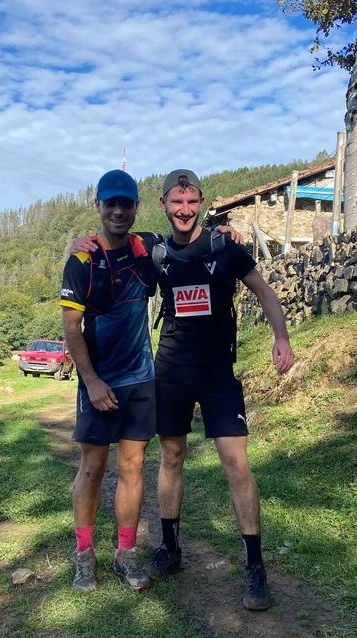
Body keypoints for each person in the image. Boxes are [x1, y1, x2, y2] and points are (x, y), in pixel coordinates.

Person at [70, 169, 294, 610]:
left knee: (237, 465)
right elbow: (110, 242)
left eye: (192, 203)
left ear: (202, 203)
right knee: (171, 458)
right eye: (177, 202)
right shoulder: (153, 250)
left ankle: (255, 566)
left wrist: (281, 337)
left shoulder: (224, 245)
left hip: (217, 373)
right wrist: (79, 244)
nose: (185, 210)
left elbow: (265, 293)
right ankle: (170, 549)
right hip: (170, 372)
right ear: (163, 205)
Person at [59, 168, 158, 592]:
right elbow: (70, 327)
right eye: (110, 203)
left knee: (133, 466)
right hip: (100, 381)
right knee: (93, 467)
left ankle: (126, 555)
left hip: (141, 379)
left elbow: (189, 238)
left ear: (136, 206)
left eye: (125, 203)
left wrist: (225, 231)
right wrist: (92, 382)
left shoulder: (147, 246)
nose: (118, 211)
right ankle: (84, 557)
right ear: (97, 205)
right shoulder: (82, 260)